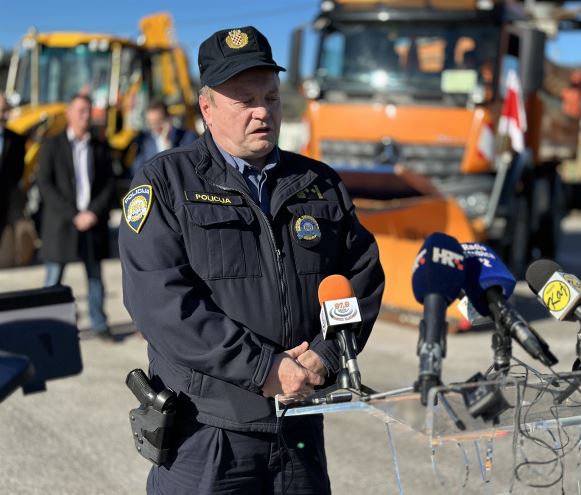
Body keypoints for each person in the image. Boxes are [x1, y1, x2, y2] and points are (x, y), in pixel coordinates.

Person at [119, 26, 385, 494]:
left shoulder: (319, 183)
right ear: (207, 108)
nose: (263, 111)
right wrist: (263, 369)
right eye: (245, 101)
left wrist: (326, 355)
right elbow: (161, 304)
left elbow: (360, 276)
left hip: (299, 424)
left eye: (271, 98)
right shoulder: (166, 183)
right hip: (208, 434)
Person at [37, 94, 115, 338]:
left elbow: (109, 184)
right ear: (68, 113)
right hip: (61, 223)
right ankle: (48, 326)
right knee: (53, 277)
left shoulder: (100, 146)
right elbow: (44, 184)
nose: (86, 115)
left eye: (88, 110)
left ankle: (99, 324)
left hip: (92, 222)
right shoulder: (52, 144)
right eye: (81, 110)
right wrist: (73, 214)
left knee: (95, 276)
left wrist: (92, 212)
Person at [131, 100, 197, 176]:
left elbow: (189, 166)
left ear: (169, 118)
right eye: (150, 122)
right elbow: (137, 170)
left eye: (158, 121)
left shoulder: (188, 137)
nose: (154, 126)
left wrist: (166, 142)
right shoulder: (144, 140)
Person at [0, 94, 26, 237]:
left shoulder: (17, 140)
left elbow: (17, 174)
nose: (5, 115)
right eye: (2, 110)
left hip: (5, 210)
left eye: (7, 110)